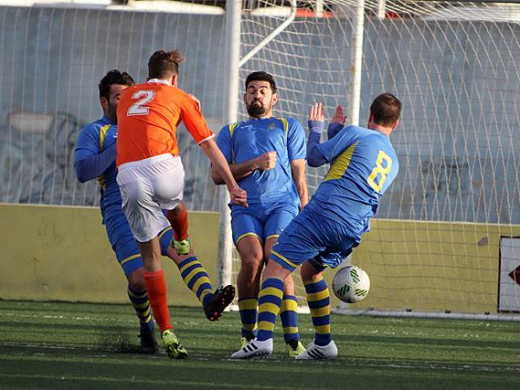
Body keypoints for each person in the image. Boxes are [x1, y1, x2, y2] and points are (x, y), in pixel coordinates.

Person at [74, 69, 236, 357]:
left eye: (129, 95)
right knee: (138, 279)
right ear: (104, 102)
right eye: (119, 97)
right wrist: (122, 143)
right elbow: (83, 171)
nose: (127, 101)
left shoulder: (146, 116)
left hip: (153, 202)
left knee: (181, 251)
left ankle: (209, 299)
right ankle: (147, 327)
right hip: (119, 210)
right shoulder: (95, 131)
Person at [231, 93, 401, 360]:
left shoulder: (358, 133)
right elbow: (347, 165)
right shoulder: (393, 160)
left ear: (370, 116)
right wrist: (335, 131)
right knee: (310, 271)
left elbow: (314, 158)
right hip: (353, 227)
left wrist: (317, 130)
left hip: (325, 212)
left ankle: (262, 339)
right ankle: (324, 343)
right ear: (397, 123)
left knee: (275, 266)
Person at [115, 50, 247, 359]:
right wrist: (232, 184)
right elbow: (207, 144)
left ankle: (166, 331)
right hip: (163, 167)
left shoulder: (127, 97)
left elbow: (144, 114)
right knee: (174, 205)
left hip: (128, 175)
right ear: (174, 77)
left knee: (151, 261)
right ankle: (183, 237)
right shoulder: (179, 96)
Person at [212, 71, 308, 358]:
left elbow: (300, 176)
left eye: (263, 90)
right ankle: (248, 336)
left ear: (274, 98)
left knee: (277, 259)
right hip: (245, 209)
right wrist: (254, 163)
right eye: (251, 90)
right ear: (244, 97)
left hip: (283, 206)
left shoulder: (288, 126)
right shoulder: (230, 132)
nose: (257, 94)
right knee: (253, 261)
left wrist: (305, 210)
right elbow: (218, 174)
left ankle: (292, 340)